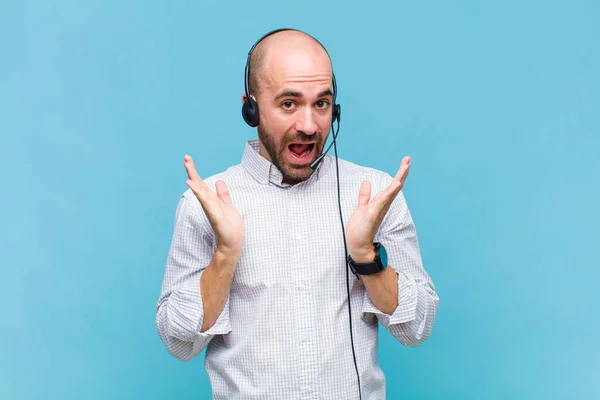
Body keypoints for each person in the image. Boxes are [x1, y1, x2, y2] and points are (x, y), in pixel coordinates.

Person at [156, 28, 439, 400]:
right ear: (251, 108)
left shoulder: (373, 195)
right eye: (289, 104)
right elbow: (179, 342)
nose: (309, 125)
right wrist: (225, 255)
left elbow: (416, 328)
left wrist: (367, 259)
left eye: (321, 104)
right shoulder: (205, 204)